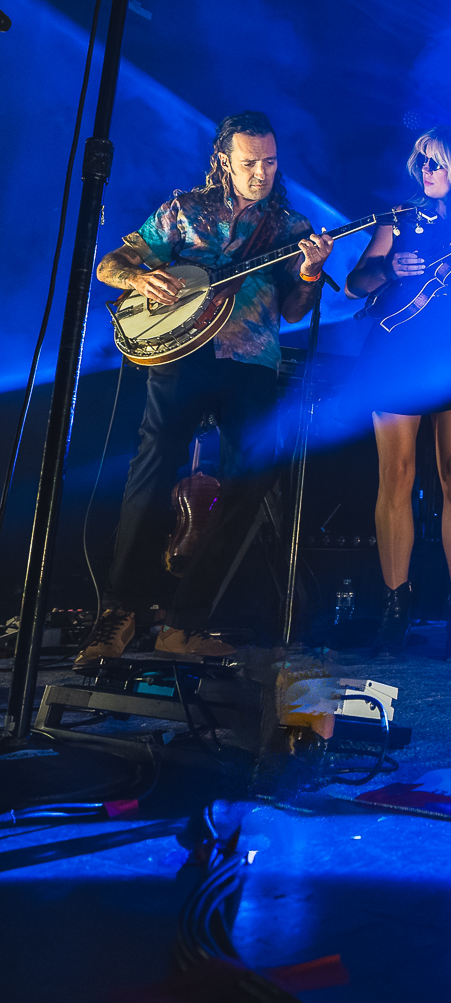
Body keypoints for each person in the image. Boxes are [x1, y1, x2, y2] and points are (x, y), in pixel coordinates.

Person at [76, 110, 334, 667]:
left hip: (252, 361)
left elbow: (293, 311)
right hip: (181, 355)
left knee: (252, 479)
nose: (260, 172)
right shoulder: (184, 210)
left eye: (269, 161)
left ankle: (184, 623)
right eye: (249, 162)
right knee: (151, 468)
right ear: (224, 160)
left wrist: (311, 274)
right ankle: (119, 612)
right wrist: (141, 278)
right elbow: (111, 264)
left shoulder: (291, 229)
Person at [345, 126, 451, 661]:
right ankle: (397, 606)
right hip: (398, 346)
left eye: (436, 164)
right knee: (395, 474)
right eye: (420, 164)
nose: (425, 173)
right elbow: (355, 283)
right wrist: (387, 268)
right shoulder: (399, 218)